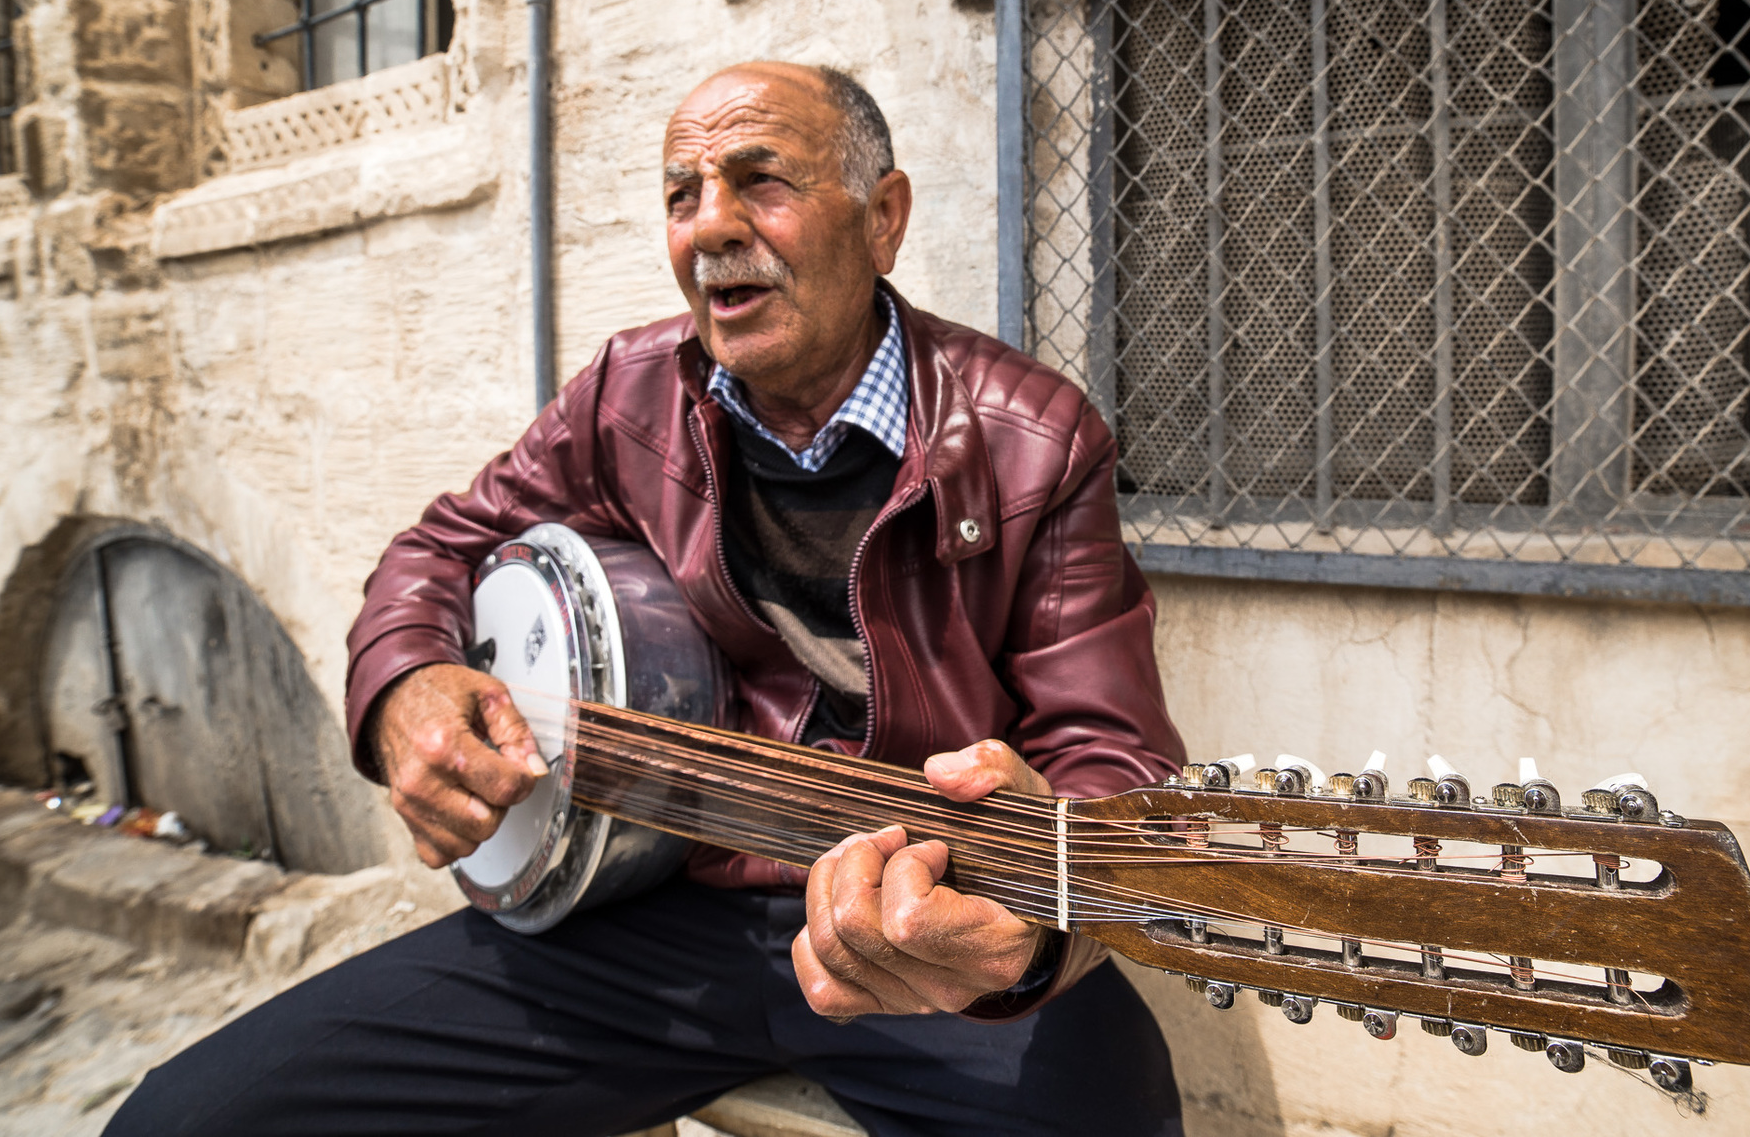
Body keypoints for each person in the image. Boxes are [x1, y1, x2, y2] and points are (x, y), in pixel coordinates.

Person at [106, 62, 1189, 1137]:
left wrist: (1029, 929)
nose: (708, 228)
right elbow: (437, 549)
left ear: (882, 218)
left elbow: (1115, 760)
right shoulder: (626, 392)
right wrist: (408, 684)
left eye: (760, 181)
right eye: (682, 194)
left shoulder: (1031, 437)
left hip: (904, 919)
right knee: (186, 1120)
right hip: (646, 910)